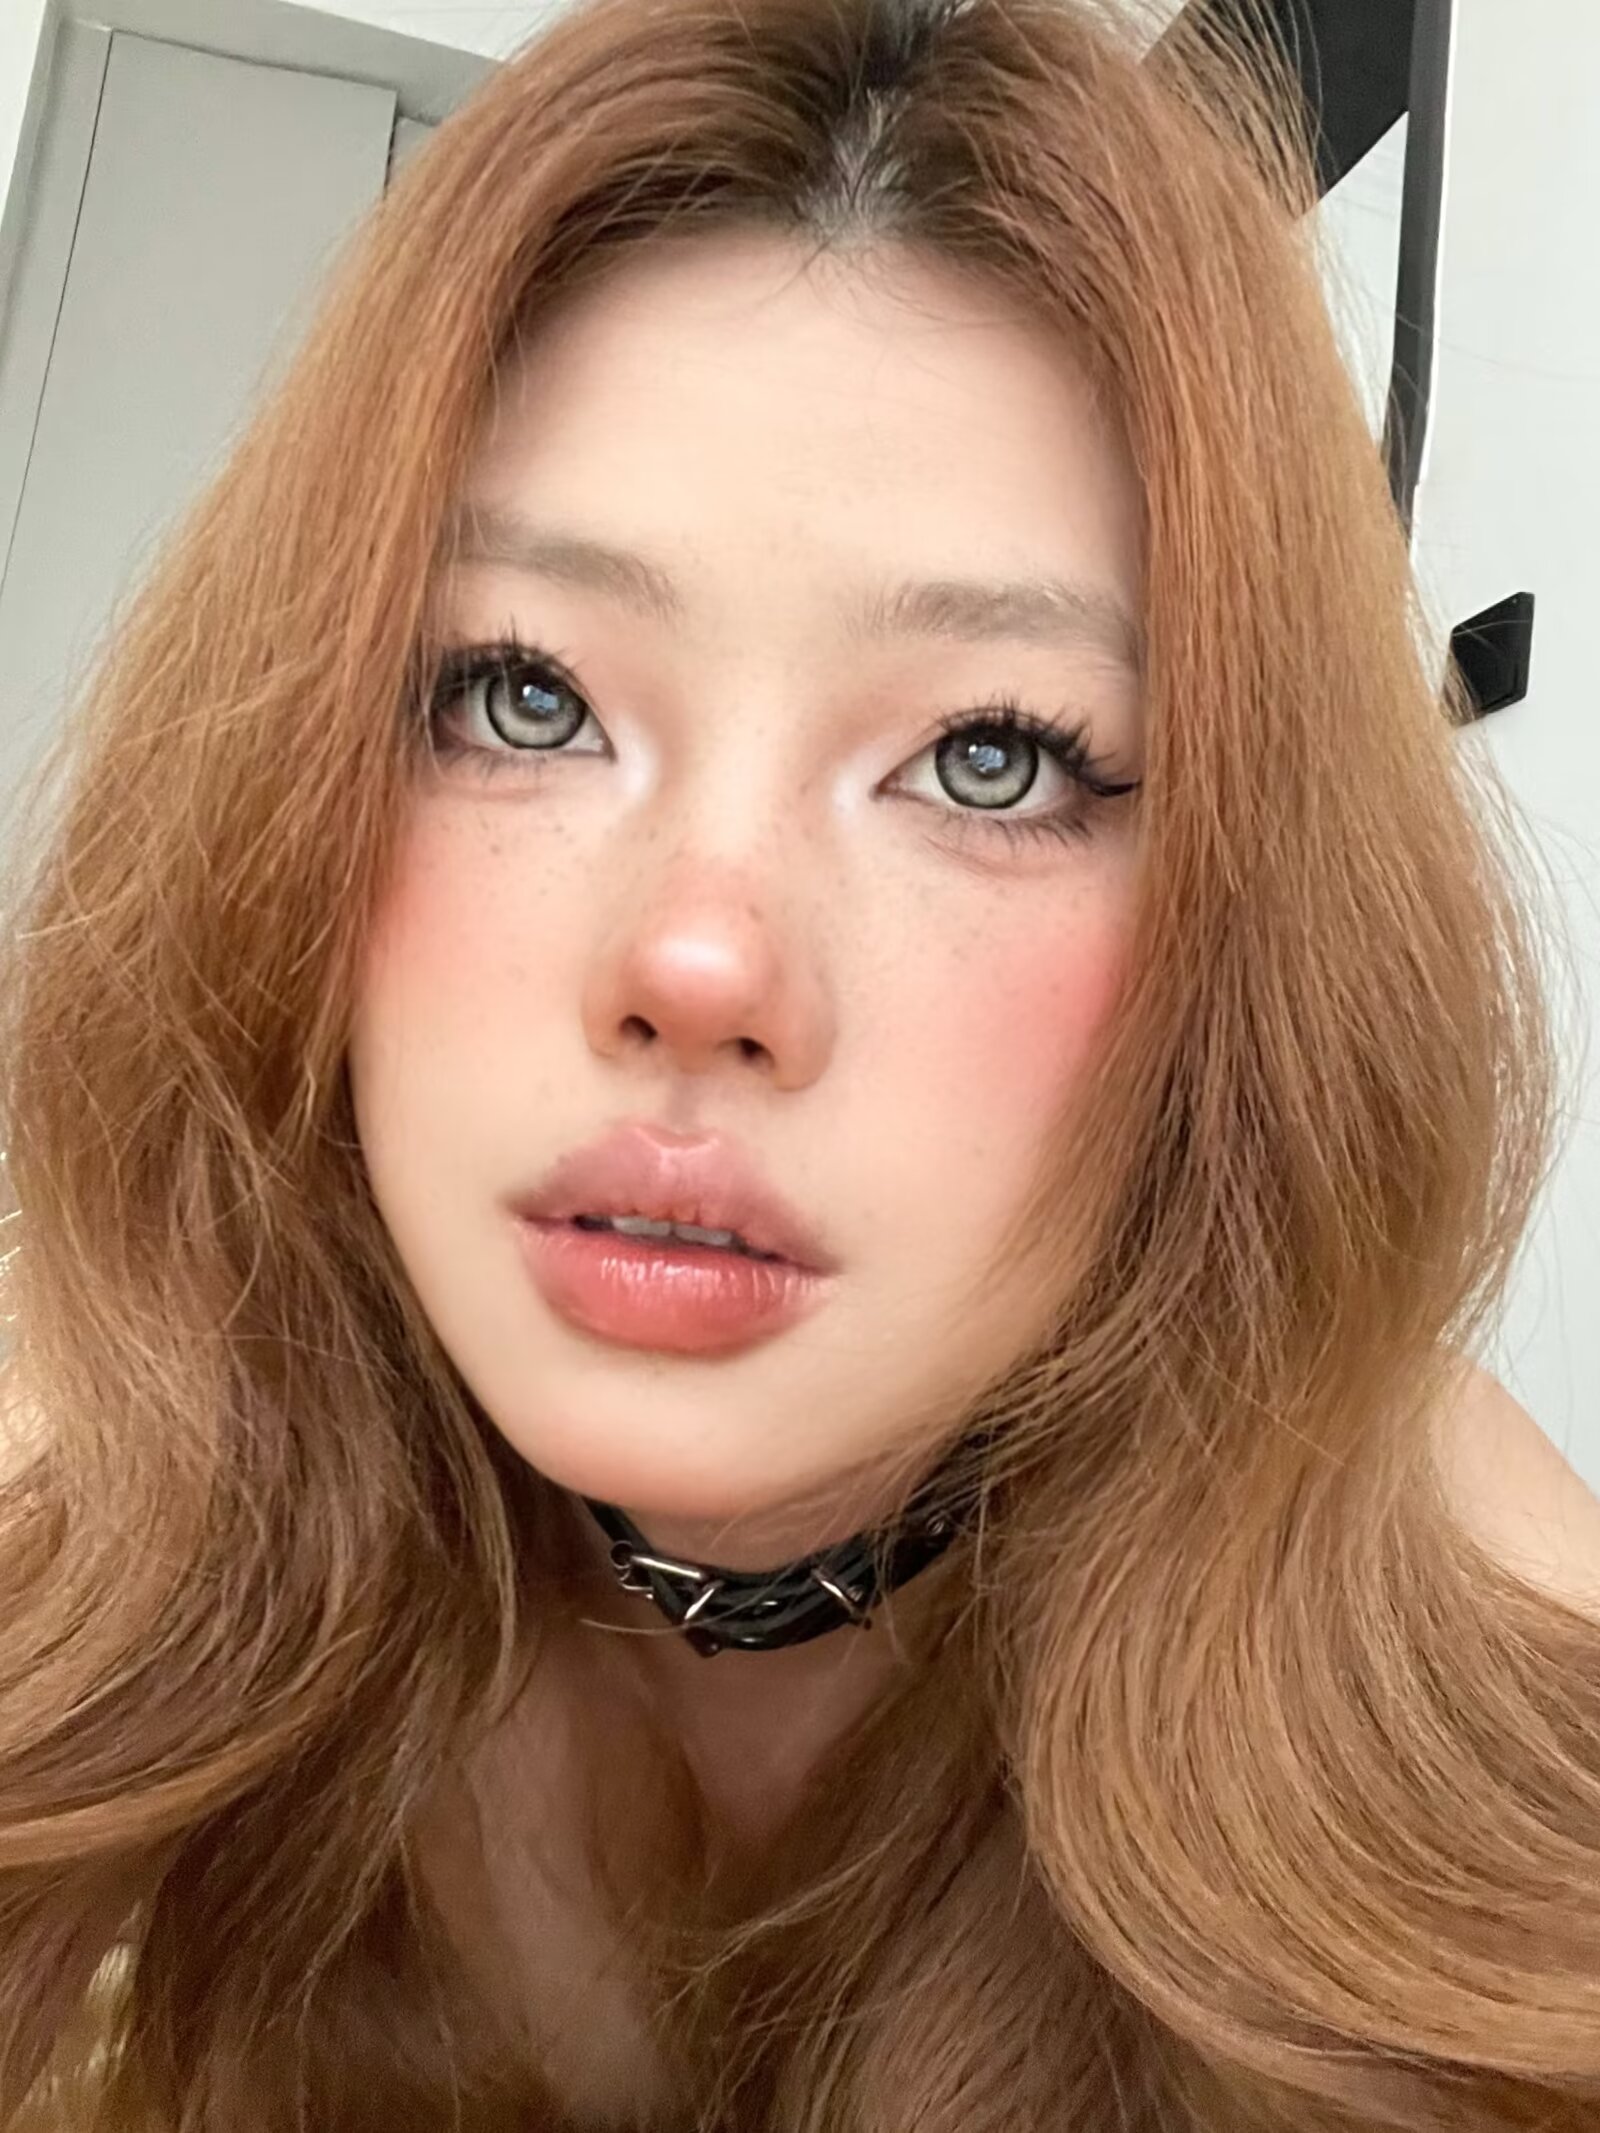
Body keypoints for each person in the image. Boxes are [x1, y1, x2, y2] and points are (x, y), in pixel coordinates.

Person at [0, 0, 1596, 2125]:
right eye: (520, 695)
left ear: (1240, 937)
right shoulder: (83, 1542)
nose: (696, 960)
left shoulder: (1494, 1752)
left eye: (991, 754)